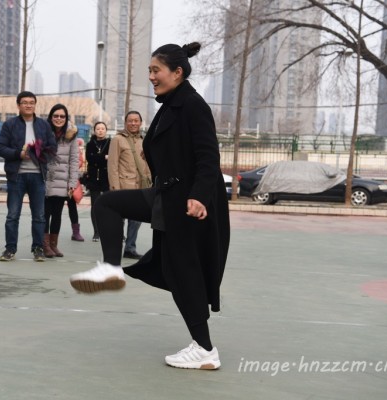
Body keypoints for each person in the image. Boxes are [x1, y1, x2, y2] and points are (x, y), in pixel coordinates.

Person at [70, 42, 230, 370]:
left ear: (177, 72)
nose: (151, 77)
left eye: (156, 70)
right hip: (166, 197)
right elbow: (174, 148)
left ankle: (205, 349)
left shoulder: (192, 105)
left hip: (186, 204)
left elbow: (208, 156)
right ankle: (111, 268)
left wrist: (199, 196)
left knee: (183, 275)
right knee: (107, 206)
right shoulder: (172, 104)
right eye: (150, 71)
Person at [0, 91, 57, 262]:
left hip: (38, 176)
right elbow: (0, 148)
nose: (28, 105)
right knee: (12, 215)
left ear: (35, 105)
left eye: (31, 102)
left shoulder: (44, 126)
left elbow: (53, 148)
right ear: (18, 105)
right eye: (24, 102)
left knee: (39, 216)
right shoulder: (10, 125)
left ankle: (37, 248)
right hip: (17, 176)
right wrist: (18, 154)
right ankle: (10, 249)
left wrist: (40, 153)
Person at [106, 110, 150, 259]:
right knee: (118, 221)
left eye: (136, 120)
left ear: (140, 122)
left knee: (136, 220)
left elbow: (147, 164)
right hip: (123, 186)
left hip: (140, 187)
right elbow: (112, 165)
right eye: (130, 120)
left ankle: (130, 248)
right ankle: (115, 248)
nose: (133, 123)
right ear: (125, 123)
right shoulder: (117, 139)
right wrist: (114, 189)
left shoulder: (144, 140)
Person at [41, 104, 80, 258]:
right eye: (55, 116)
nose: (59, 119)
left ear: (66, 118)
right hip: (45, 180)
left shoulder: (71, 135)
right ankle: (44, 245)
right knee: (45, 215)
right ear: (51, 117)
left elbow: (74, 160)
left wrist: (72, 183)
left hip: (62, 182)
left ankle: (53, 245)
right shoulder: (43, 132)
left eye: (62, 116)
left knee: (57, 214)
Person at [85, 122, 111, 242]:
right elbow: (90, 159)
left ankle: (109, 230)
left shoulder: (110, 142)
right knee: (95, 205)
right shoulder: (90, 144)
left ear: (106, 130)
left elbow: (112, 159)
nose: (100, 130)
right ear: (94, 130)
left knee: (109, 206)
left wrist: (98, 158)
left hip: (107, 178)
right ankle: (96, 232)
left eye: (103, 128)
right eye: (98, 128)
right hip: (94, 178)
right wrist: (104, 157)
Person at [67, 138, 86, 242]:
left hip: (71, 179)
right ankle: (49, 235)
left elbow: (79, 161)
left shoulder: (73, 143)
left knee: (72, 206)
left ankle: (76, 232)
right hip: (56, 180)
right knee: (54, 208)